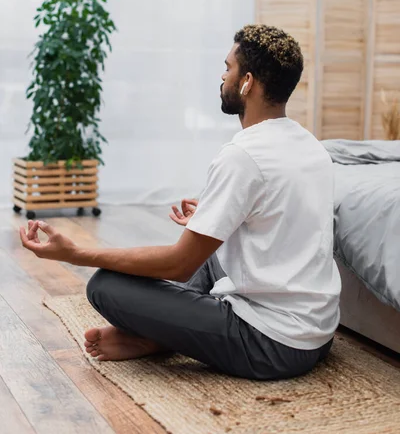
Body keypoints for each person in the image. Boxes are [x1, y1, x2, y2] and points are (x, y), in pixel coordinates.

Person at [20, 24, 341, 381]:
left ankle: (157, 338)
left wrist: (74, 253)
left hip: (271, 345)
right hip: (319, 333)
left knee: (105, 286)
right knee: (209, 254)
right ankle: (160, 337)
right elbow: (284, 222)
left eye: (228, 68)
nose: (222, 77)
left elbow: (178, 266)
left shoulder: (242, 155)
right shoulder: (311, 145)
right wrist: (215, 217)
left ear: (247, 82)